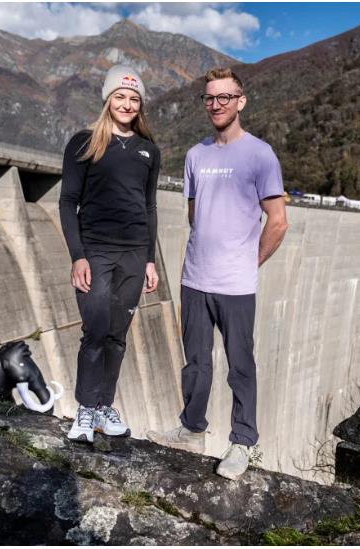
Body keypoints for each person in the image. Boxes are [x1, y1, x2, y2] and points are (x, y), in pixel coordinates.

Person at [147, 68, 288, 480]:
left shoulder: (260, 154)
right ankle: (191, 428)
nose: (216, 104)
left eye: (225, 97)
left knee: (240, 364)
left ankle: (242, 442)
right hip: (195, 279)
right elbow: (195, 214)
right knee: (195, 363)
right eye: (210, 98)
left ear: (240, 101)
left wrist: (250, 261)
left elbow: (277, 222)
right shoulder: (196, 155)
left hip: (235, 286)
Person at [59, 65, 160, 444]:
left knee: (118, 335)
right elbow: (68, 202)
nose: (127, 103)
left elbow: (149, 207)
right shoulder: (84, 143)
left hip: (134, 255)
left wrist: (150, 260)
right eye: (120, 96)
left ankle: (104, 407)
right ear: (107, 99)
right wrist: (78, 256)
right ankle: (85, 409)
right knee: (96, 331)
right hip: (96, 252)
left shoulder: (149, 150)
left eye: (134, 99)